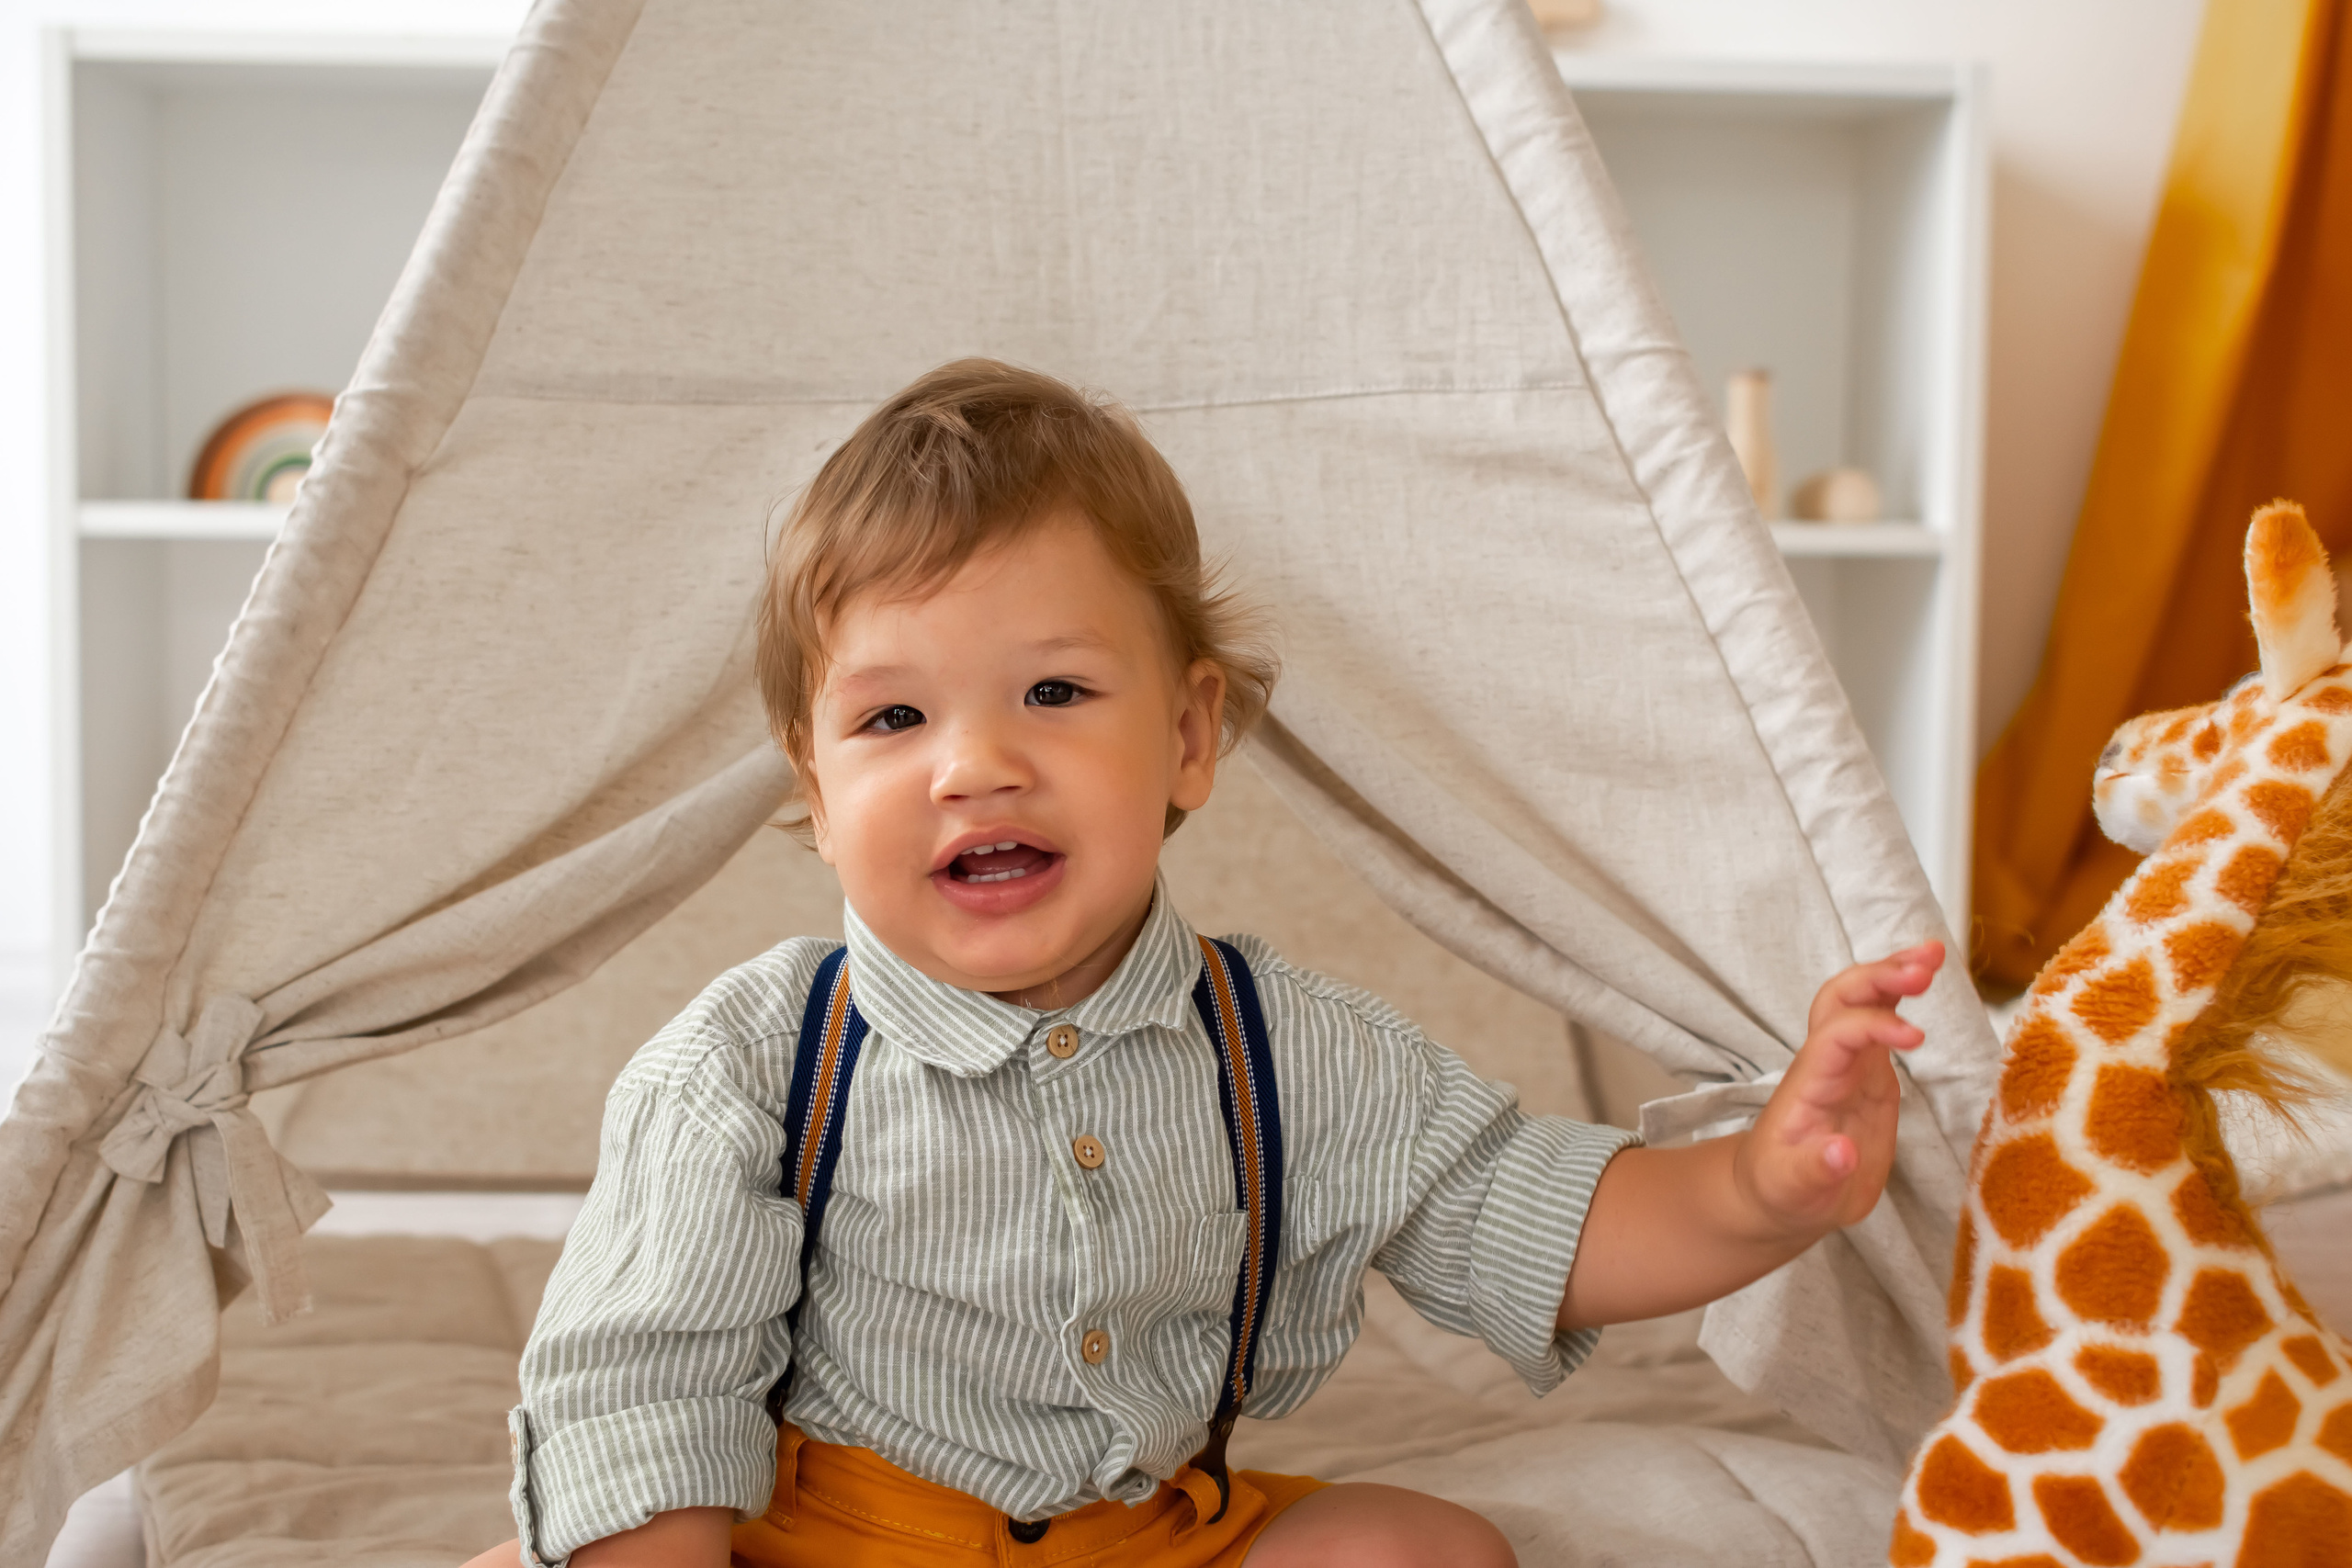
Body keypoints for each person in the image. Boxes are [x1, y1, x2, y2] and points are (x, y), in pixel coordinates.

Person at [462, 359, 1943, 1568]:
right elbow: (641, 1386)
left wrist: (1763, 1184)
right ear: (815, 781)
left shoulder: (1287, 1048)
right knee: (581, 1539)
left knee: (1423, 1552)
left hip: (1141, 1535)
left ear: (1186, 736)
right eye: (893, 720)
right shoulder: (747, 1061)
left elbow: (1534, 1220)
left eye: (1054, 691)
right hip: (820, 1539)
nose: (975, 766)